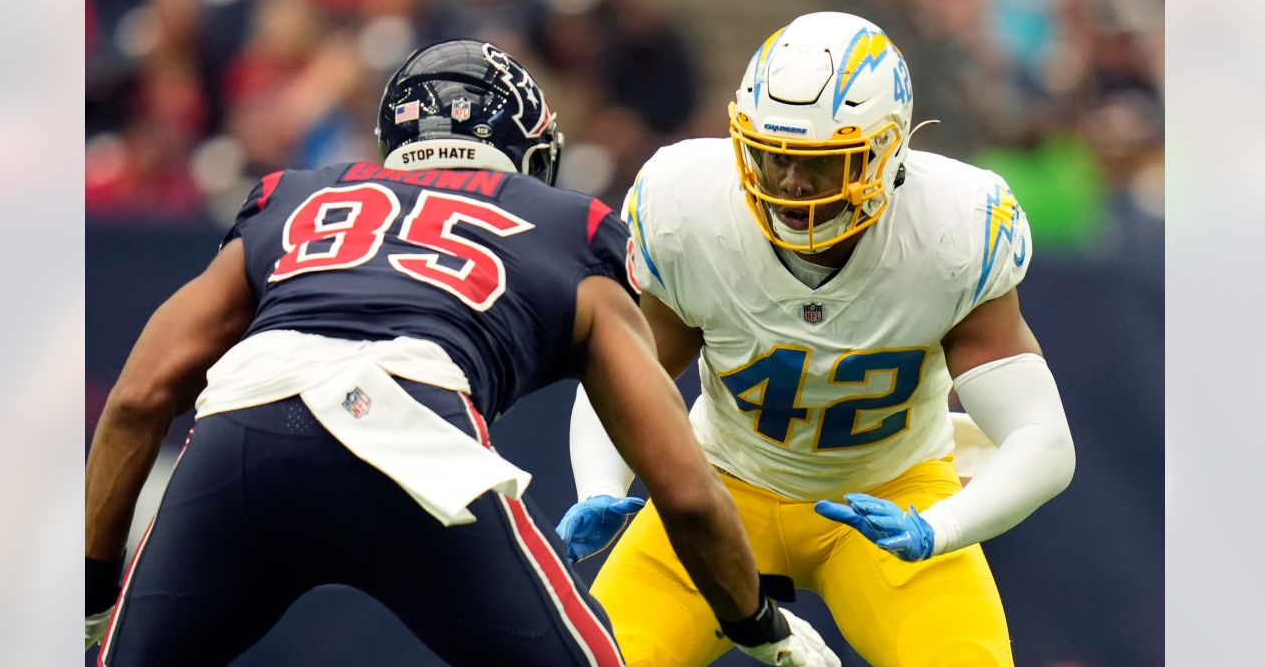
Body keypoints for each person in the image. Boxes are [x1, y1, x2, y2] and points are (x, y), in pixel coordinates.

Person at [84, 39, 841, 667]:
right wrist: (757, 623)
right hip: (408, 437)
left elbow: (139, 398)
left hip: (241, 437)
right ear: (526, 153)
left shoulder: (296, 195)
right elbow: (682, 488)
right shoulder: (567, 223)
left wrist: (90, 593)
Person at [556, 12, 1077, 667]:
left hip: (893, 493)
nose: (792, 184)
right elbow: (626, 371)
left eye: (820, 165)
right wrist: (601, 483)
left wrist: (939, 526)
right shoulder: (690, 206)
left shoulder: (953, 230)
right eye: (775, 157)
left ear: (888, 156)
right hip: (720, 490)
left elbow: (1044, 442)